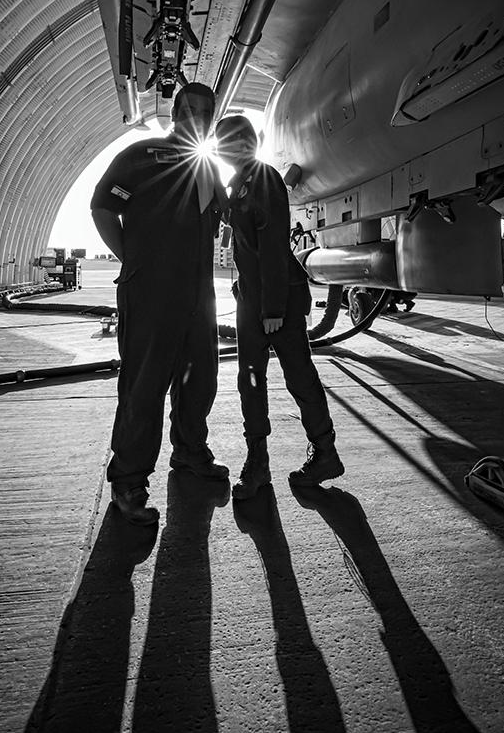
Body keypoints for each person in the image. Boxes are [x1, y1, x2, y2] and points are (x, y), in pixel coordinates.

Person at [91, 82, 229, 526]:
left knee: (200, 380)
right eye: (189, 109)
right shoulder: (141, 154)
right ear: (174, 113)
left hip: (198, 295)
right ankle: (129, 480)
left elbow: (228, 222)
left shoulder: (209, 166)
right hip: (150, 291)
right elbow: (103, 207)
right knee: (144, 386)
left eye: (205, 111)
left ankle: (190, 453)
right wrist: (132, 259)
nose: (196, 117)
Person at [214, 114, 345, 499]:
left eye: (239, 140)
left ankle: (325, 452)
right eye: (225, 143)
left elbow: (272, 244)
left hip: (277, 299)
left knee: (298, 376)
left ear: (252, 143)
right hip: (251, 298)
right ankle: (258, 461)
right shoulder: (239, 183)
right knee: (250, 380)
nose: (232, 148)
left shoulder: (264, 177)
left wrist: (272, 308)